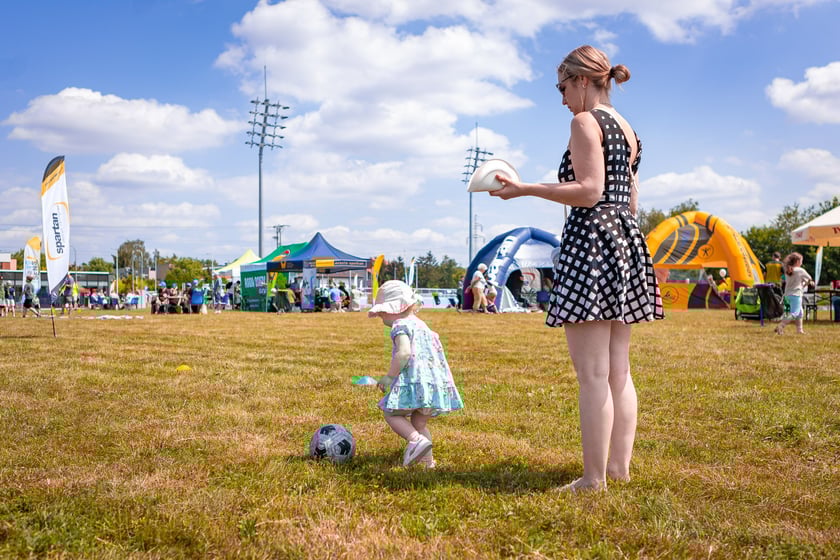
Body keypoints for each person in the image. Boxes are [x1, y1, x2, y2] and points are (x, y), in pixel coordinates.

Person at [490, 45, 663, 492]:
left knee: (592, 375)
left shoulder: (584, 122)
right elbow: (631, 199)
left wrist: (526, 188)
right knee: (618, 372)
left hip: (592, 242)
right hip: (625, 238)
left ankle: (593, 479)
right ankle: (618, 470)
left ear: (583, 81)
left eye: (562, 86)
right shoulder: (629, 130)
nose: (562, 97)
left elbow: (588, 191)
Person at [368, 280, 464, 468]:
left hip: (414, 382)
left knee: (392, 414)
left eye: (381, 314)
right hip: (433, 384)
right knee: (420, 424)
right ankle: (428, 463)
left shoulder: (400, 325)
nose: (381, 318)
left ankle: (414, 440)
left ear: (394, 309)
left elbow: (404, 353)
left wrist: (389, 376)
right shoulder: (423, 326)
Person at [775, 252, 813, 335]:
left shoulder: (788, 270)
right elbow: (810, 278)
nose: (802, 263)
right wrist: (805, 284)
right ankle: (780, 326)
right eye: (801, 261)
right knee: (794, 313)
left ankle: (799, 330)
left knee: (798, 312)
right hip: (796, 295)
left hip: (787, 295)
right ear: (797, 261)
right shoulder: (800, 270)